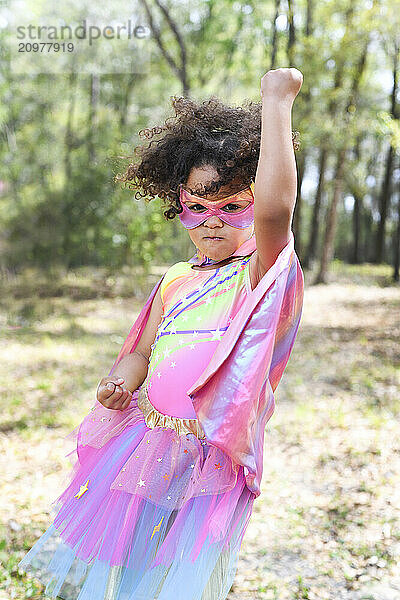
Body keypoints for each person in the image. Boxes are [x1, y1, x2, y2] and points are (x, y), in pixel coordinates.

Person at [18, 67, 304, 600]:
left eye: (231, 205)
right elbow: (143, 352)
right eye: (198, 207)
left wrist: (277, 104)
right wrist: (119, 382)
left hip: (209, 453)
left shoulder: (258, 276)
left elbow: (276, 209)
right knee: (131, 567)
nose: (213, 221)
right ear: (179, 208)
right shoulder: (174, 280)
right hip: (148, 441)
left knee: (182, 580)